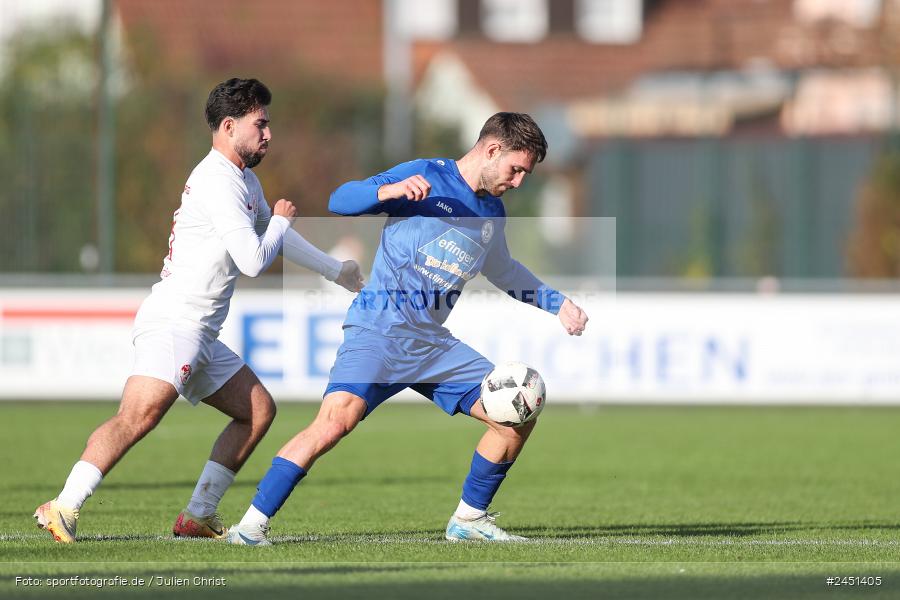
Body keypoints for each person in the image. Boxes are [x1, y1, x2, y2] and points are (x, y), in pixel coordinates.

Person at [227, 112, 588, 546]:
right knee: (335, 422)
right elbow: (341, 199)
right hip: (379, 330)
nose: (518, 182)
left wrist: (557, 303)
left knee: (516, 415)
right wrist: (390, 191)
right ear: (493, 150)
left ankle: (469, 521)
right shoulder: (424, 176)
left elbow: (505, 271)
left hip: (432, 346)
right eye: (516, 170)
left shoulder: (492, 212)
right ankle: (250, 527)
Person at [33, 78, 363, 543]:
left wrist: (335, 270)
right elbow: (253, 259)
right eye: (260, 124)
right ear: (229, 126)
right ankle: (63, 506)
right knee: (138, 417)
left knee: (257, 411)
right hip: (174, 323)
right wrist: (284, 220)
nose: (269, 133)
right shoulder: (216, 180)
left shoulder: (244, 179)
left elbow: (274, 234)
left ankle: (198, 515)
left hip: (200, 332)